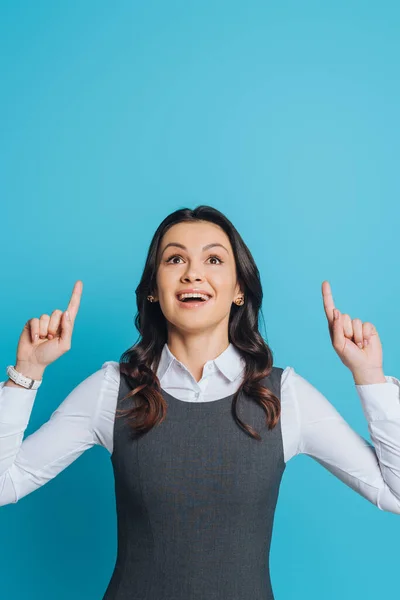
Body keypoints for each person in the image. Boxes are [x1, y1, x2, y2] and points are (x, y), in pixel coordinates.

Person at [1, 205, 400, 600]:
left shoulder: (285, 395)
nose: (193, 273)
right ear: (154, 290)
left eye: (213, 259)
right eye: (175, 259)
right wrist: (27, 372)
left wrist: (370, 376)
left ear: (239, 288)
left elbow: (395, 494)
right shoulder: (112, 389)